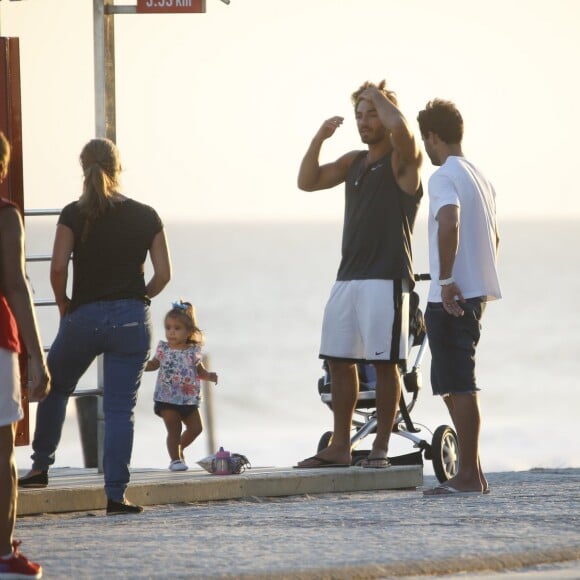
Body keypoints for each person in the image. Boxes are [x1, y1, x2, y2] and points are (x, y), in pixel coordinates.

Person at [18, 138, 172, 514]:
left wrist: (64, 304)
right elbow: (163, 275)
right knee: (120, 410)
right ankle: (116, 495)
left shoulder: (74, 213)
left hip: (84, 316)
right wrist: (139, 298)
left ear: (82, 166)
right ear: (118, 168)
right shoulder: (147, 215)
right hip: (132, 318)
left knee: (55, 388)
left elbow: (57, 268)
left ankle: (40, 467)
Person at [295, 80, 423, 469]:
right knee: (339, 360)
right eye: (359, 115)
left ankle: (381, 446)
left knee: (385, 364)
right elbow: (307, 181)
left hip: (386, 277)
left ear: (386, 115)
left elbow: (402, 130)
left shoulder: (403, 163)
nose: (364, 122)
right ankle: (340, 446)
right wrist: (319, 137)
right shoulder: (353, 162)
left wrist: (378, 95)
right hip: (348, 276)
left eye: (372, 114)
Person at [416, 99, 501, 495]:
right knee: (453, 383)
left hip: (450, 294)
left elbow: (448, 221)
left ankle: (467, 476)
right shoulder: (480, 177)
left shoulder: (444, 176)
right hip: (474, 293)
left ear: (433, 136)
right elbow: (494, 237)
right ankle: (474, 473)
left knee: (459, 384)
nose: (426, 149)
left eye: (425, 140)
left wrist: (448, 279)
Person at [0, 131, 50, 578]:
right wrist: (37, 357)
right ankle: (2, 554)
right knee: (2, 452)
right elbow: (16, 284)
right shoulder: (4, 215)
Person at [145, 300, 218, 471]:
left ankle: (180, 448)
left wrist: (209, 376)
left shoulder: (193, 351)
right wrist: (141, 366)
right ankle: (175, 460)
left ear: (189, 331)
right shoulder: (163, 349)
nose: (171, 332)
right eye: (168, 328)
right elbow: (154, 364)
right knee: (174, 428)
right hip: (167, 397)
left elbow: (200, 371)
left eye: (177, 328)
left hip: (188, 399)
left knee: (196, 428)